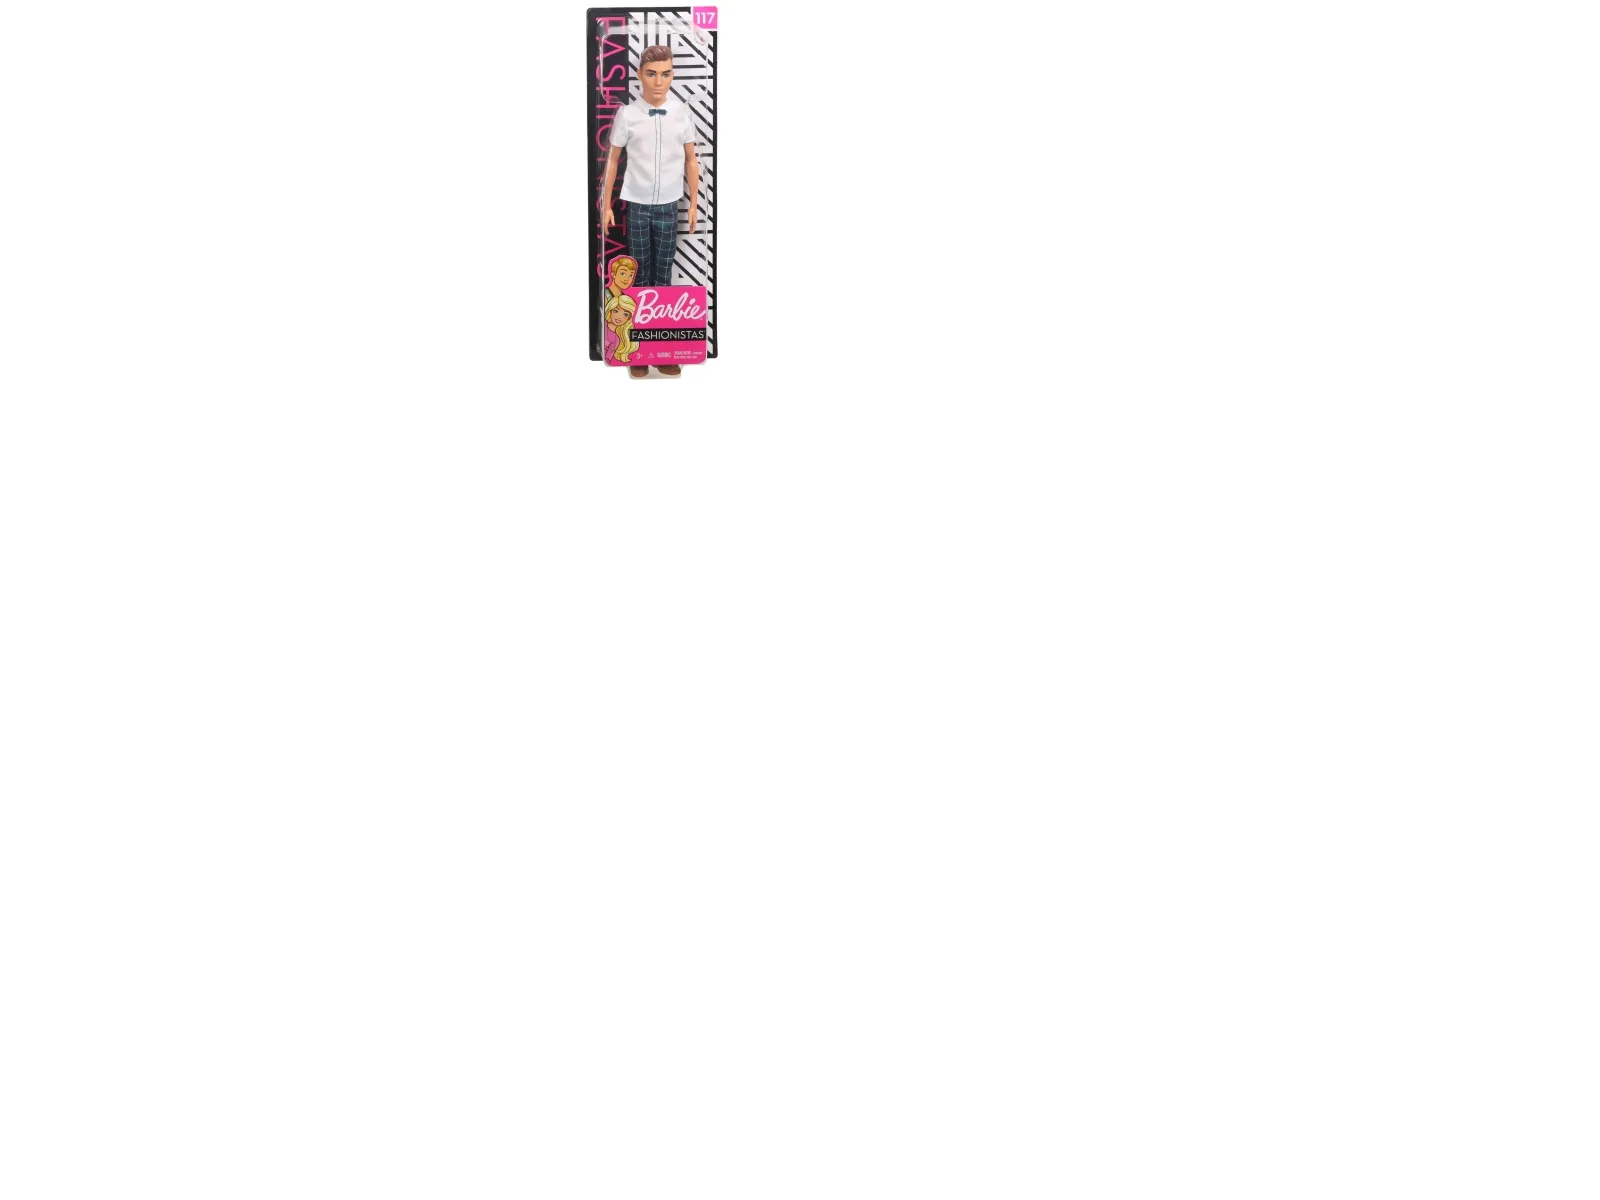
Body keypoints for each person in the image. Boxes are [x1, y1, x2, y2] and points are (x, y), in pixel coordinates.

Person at [600, 42, 699, 378]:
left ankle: (662, 347)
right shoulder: (628, 115)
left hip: (670, 205)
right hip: (638, 205)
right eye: (652, 74)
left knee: (663, 275)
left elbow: (690, 160)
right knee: (639, 274)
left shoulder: (681, 113)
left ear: (673, 75)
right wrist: (606, 205)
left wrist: (694, 204)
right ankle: (638, 350)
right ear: (640, 74)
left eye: (666, 74)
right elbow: (613, 160)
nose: (659, 82)